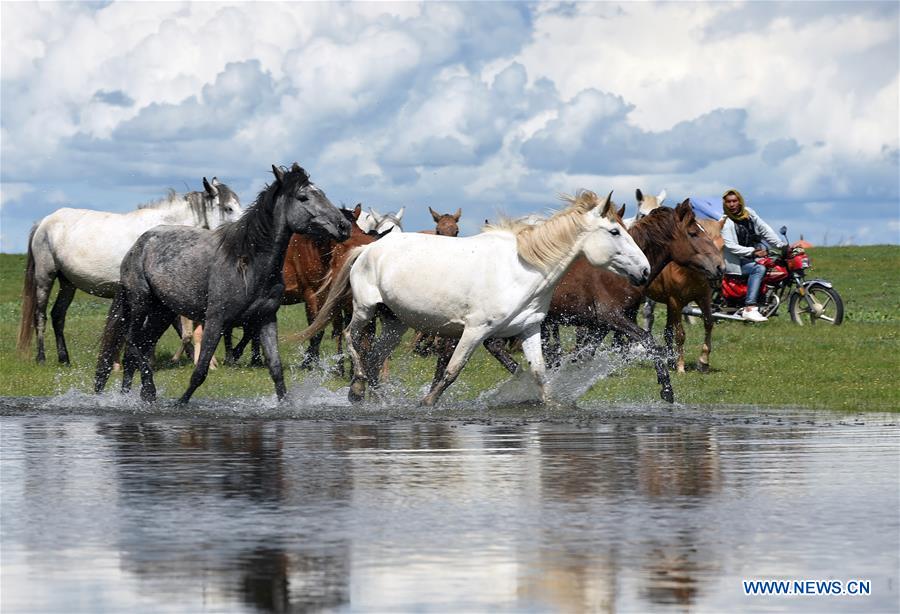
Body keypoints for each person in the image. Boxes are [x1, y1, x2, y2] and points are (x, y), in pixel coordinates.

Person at [720, 188, 785, 322]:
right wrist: (753, 251)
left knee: (774, 265)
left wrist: (780, 244)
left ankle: (764, 300)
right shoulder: (725, 222)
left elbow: (764, 229)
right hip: (736, 263)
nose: (732, 204)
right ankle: (750, 307)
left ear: (740, 201)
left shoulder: (749, 213)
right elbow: (730, 246)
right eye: (728, 202)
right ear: (725, 204)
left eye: (734, 201)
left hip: (752, 258)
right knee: (759, 268)